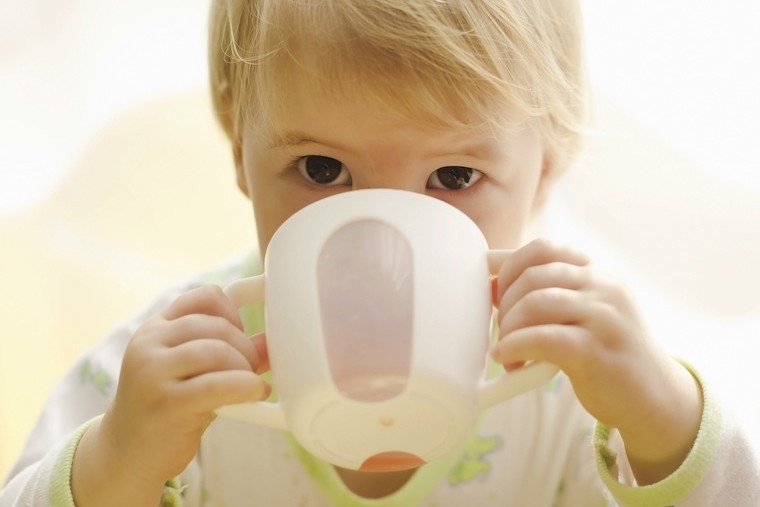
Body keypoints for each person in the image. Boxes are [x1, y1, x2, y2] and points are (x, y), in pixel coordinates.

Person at [2, 0, 758, 505]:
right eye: (322, 170)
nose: (379, 247)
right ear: (241, 151)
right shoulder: (173, 377)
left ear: (546, 172)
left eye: (455, 177)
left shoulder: (571, 380)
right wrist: (120, 459)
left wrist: (665, 425)